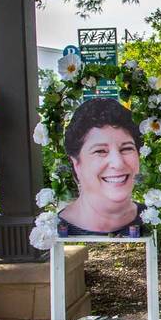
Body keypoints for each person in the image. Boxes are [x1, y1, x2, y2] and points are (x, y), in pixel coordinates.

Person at [58, 98, 145, 236]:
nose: (118, 163)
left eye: (126, 148)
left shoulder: (152, 220)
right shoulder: (58, 226)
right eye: (100, 151)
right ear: (76, 163)